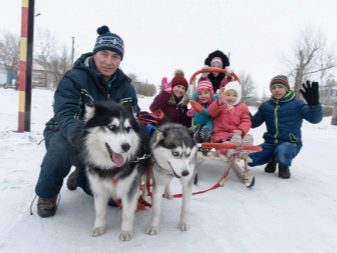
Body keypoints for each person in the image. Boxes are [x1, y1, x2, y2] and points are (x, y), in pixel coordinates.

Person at [34, 25, 140, 218]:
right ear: (95, 53)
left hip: (106, 138)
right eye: (104, 54)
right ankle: (47, 193)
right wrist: (80, 135)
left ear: (121, 59)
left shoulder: (126, 88)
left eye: (115, 56)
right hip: (66, 131)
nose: (109, 61)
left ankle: (81, 176)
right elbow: (65, 112)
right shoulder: (74, 78)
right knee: (61, 148)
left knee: (112, 200)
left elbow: (131, 118)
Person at [248, 75, 322, 179]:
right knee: (250, 159)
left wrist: (314, 104)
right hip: (270, 143)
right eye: (273, 88)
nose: (276, 90)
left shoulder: (297, 104)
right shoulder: (266, 106)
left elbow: (315, 119)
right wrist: (243, 110)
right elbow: (253, 123)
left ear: (287, 89)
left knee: (283, 151)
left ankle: (283, 166)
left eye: (280, 87)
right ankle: (272, 158)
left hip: (290, 143)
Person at [208, 81, 252, 149]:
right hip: (221, 135)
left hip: (236, 135)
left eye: (234, 95)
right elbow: (211, 113)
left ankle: (244, 147)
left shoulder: (242, 107)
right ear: (224, 95)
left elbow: (246, 121)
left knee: (238, 139)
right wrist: (219, 102)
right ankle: (229, 149)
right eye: (228, 94)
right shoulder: (220, 104)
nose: (231, 97)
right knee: (225, 145)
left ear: (239, 96)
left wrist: (241, 130)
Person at [187, 80, 215, 145]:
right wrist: (191, 111)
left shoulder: (212, 104)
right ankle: (195, 134)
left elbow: (211, 113)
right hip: (198, 125)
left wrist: (202, 110)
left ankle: (206, 133)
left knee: (210, 121)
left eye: (206, 93)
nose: (203, 96)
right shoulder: (198, 103)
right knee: (196, 129)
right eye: (200, 94)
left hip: (208, 125)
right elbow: (193, 99)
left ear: (210, 94)